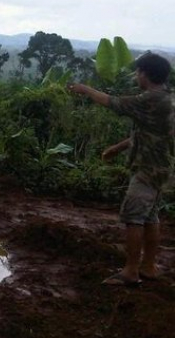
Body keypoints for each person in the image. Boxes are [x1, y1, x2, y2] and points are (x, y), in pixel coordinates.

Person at [68, 52, 174, 286]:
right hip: (160, 167)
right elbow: (149, 132)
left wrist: (85, 89)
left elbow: (113, 102)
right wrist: (117, 148)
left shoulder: (151, 99)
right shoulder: (166, 98)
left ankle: (131, 270)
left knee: (134, 217)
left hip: (147, 169)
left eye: (138, 71)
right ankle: (148, 267)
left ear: (145, 74)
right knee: (150, 217)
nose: (136, 75)